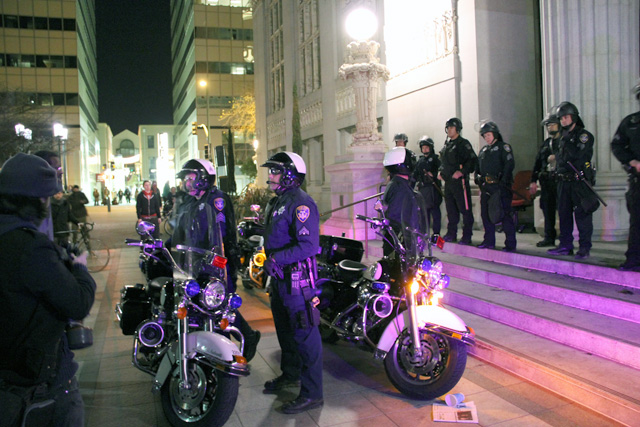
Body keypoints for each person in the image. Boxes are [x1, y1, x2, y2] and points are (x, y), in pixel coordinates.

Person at [0, 153, 96, 427]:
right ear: (34, 199)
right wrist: (79, 268)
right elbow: (77, 302)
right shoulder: (30, 246)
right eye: (45, 198)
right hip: (41, 383)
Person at [171, 159, 261, 360]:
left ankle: (235, 345)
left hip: (218, 263)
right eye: (185, 179)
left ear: (203, 178)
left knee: (221, 304)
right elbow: (182, 232)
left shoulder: (216, 199)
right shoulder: (191, 202)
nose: (187, 182)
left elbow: (220, 233)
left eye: (191, 178)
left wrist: (223, 260)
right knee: (205, 305)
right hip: (195, 263)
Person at [260, 151, 323, 414]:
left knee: (305, 336)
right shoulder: (279, 201)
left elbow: (309, 245)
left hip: (298, 281)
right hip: (279, 279)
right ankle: (290, 375)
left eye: (274, 172)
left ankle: (312, 393)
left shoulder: (301, 203)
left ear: (289, 174)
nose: (270, 177)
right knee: (286, 333)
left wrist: (277, 259)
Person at [547, 101, 596, 259]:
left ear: (573, 118)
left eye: (566, 117)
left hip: (578, 181)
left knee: (582, 215)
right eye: (561, 118)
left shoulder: (584, 136)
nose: (563, 121)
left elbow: (578, 156)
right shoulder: (562, 138)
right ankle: (565, 245)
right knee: (564, 214)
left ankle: (584, 247)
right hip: (564, 182)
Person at [611, 80, 640, 271]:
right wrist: (633, 162)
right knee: (637, 221)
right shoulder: (631, 123)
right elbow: (617, 145)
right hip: (638, 181)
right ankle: (634, 259)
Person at [475, 121, 517, 252]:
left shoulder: (503, 147)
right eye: (485, 136)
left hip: (500, 187)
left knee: (505, 215)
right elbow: (478, 167)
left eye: (488, 135)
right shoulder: (483, 151)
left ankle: (510, 243)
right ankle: (489, 240)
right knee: (485, 214)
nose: (487, 138)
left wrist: (504, 181)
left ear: (495, 134)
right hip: (486, 187)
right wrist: (477, 177)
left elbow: (509, 164)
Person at [439, 117, 477, 244]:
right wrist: (441, 171)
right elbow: (443, 161)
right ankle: (451, 233)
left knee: (465, 209)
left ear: (457, 129)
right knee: (451, 210)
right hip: (449, 183)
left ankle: (467, 235)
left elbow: (472, 161)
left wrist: (462, 172)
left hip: (460, 182)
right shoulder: (448, 144)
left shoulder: (463, 144)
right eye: (448, 128)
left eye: (451, 128)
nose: (449, 130)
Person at [530, 113, 561, 247]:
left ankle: (566, 239)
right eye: (548, 125)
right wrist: (533, 180)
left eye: (553, 124)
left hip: (560, 182)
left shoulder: (564, 142)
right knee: (547, 210)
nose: (550, 127)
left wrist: (557, 157)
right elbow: (537, 163)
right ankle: (549, 237)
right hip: (547, 182)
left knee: (563, 212)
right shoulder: (546, 144)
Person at [381, 147, 418, 255]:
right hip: (398, 241)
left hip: (397, 238)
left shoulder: (398, 184)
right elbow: (397, 216)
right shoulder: (399, 187)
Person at [413, 136, 442, 235]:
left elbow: (440, 171)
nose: (425, 149)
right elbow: (415, 174)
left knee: (435, 212)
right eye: (423, 148)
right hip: (423, 189)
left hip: (433, 189)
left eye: (426, 147)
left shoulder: (435, 159)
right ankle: (424, 232)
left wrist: (433, 174)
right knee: (424, 213)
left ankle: (436, 233)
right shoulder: (420, 161)